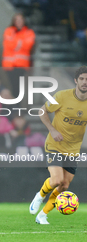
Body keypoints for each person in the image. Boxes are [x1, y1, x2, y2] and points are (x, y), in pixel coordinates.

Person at [29, 66, 87, 224]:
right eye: (82, 79)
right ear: (76, 80)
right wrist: (52, 130)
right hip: (54, 145)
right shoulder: (62, 96)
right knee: (56, 180)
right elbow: (42, 111)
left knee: (64, 185)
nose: (84, 82)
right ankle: (40, 195)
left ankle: (42, 215)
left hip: (73, 150)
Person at [2, 13, 35, 98]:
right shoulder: (9, 30)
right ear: (14, 21)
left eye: (21, 20)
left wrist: (15, 43)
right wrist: (19, 43)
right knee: (12, 85)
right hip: (9, 65)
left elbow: (28, 46)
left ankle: (16, 106)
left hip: (21, 65)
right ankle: (13, 106)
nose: (19, 22)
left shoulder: (29, 32)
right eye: (17, 20)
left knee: (18, 87)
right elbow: (7, 44)